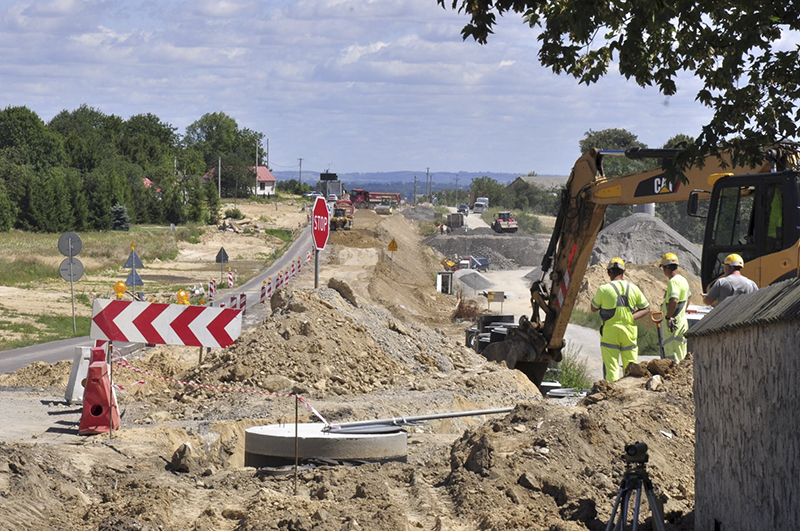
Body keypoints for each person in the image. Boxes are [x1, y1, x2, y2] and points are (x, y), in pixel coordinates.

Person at [591, 257, 650, 382]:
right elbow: (646, 308)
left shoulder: (603, 289)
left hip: (610, 332)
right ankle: (629, 392)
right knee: (631, 366)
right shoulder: (634, 288)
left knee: (611, 367)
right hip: (629, 332)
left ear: (608, 273)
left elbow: (593, 308)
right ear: (623, 272)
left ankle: (611, 394)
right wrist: (631, 316)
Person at [659, 253, 691, 363]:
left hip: (673, 326)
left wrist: (669, 317)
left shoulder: (673, 282)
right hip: (681, 322)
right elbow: (689, 297)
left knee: (673, 358)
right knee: (680, 354)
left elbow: (674, 300)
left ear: (665, 268)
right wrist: (680, 312)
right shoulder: (683, 280)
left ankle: (673, 378)